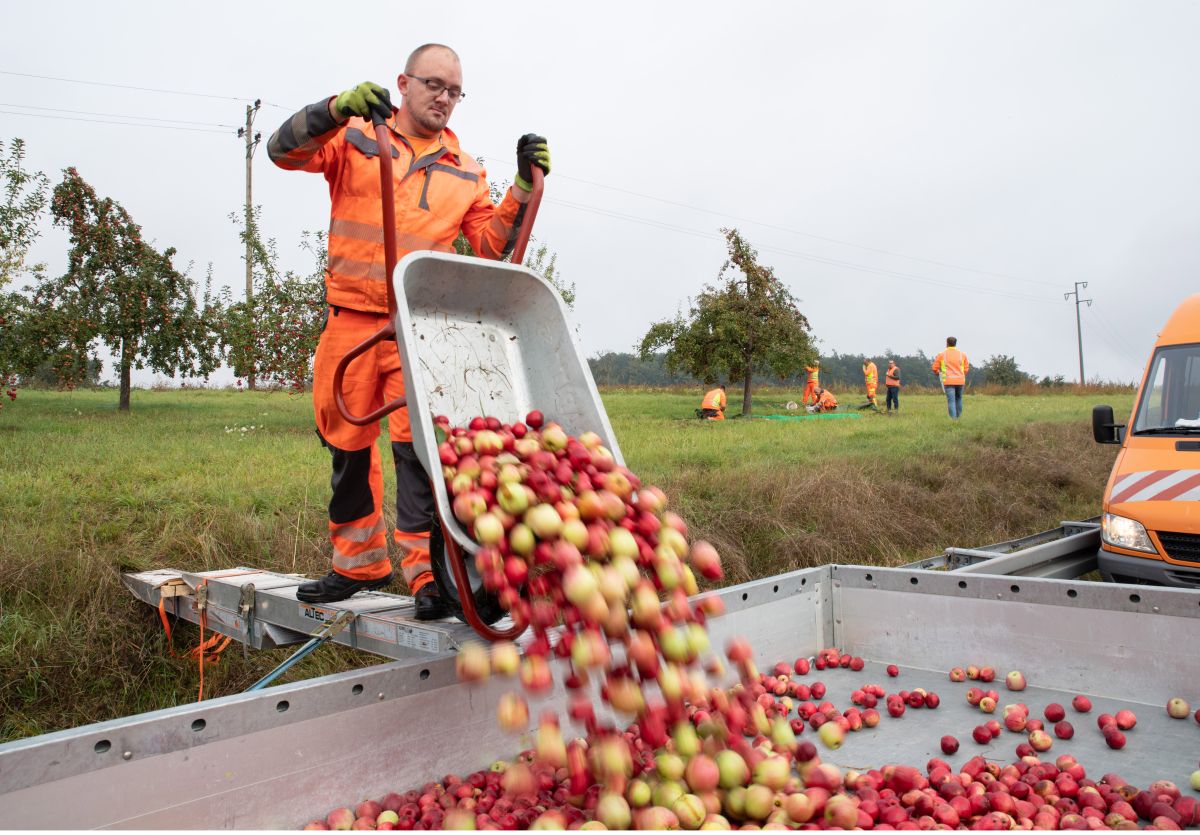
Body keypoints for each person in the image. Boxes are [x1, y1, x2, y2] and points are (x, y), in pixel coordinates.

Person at [267, 44, 552, 614]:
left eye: (454, 91)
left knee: (418, 451)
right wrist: (333, 108)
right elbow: (282, 152)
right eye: (433, 85)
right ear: (403, 83)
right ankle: (357, 564)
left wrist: (522, 186)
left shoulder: (466, 170)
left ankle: (427, 577)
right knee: (347, 446)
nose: (444, 98)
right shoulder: (355, 137)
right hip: (349, 319)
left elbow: (491, 245)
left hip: (418, 328)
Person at [932, 336, 970, 419]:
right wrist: (961, 375)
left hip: (948, 381)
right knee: (959, 399)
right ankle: (958, 418)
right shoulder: (962, 355)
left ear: (947, 343)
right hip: (960, 381)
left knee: (951, 401)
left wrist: (938, 373)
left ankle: (953, 420)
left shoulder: (941, 354)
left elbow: (934, 368)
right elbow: (966, 368)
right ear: (955, 343)